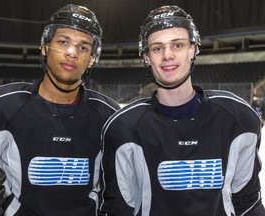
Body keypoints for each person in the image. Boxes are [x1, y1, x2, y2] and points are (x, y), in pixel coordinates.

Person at [98, 5, 265, 216]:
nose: (167, 55)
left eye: (177, 45)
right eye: (157, 48)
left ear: (193, 49)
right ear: (147, 57)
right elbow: (118, 210)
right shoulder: (123, 128)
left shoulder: (238, 118)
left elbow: (248, 204)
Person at [0, 4, 120, 216]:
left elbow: (119, 194)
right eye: (63, 42)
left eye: (83, 47)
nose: (72, 52)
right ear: (45, 46)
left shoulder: (110, 117)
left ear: (92, 58)